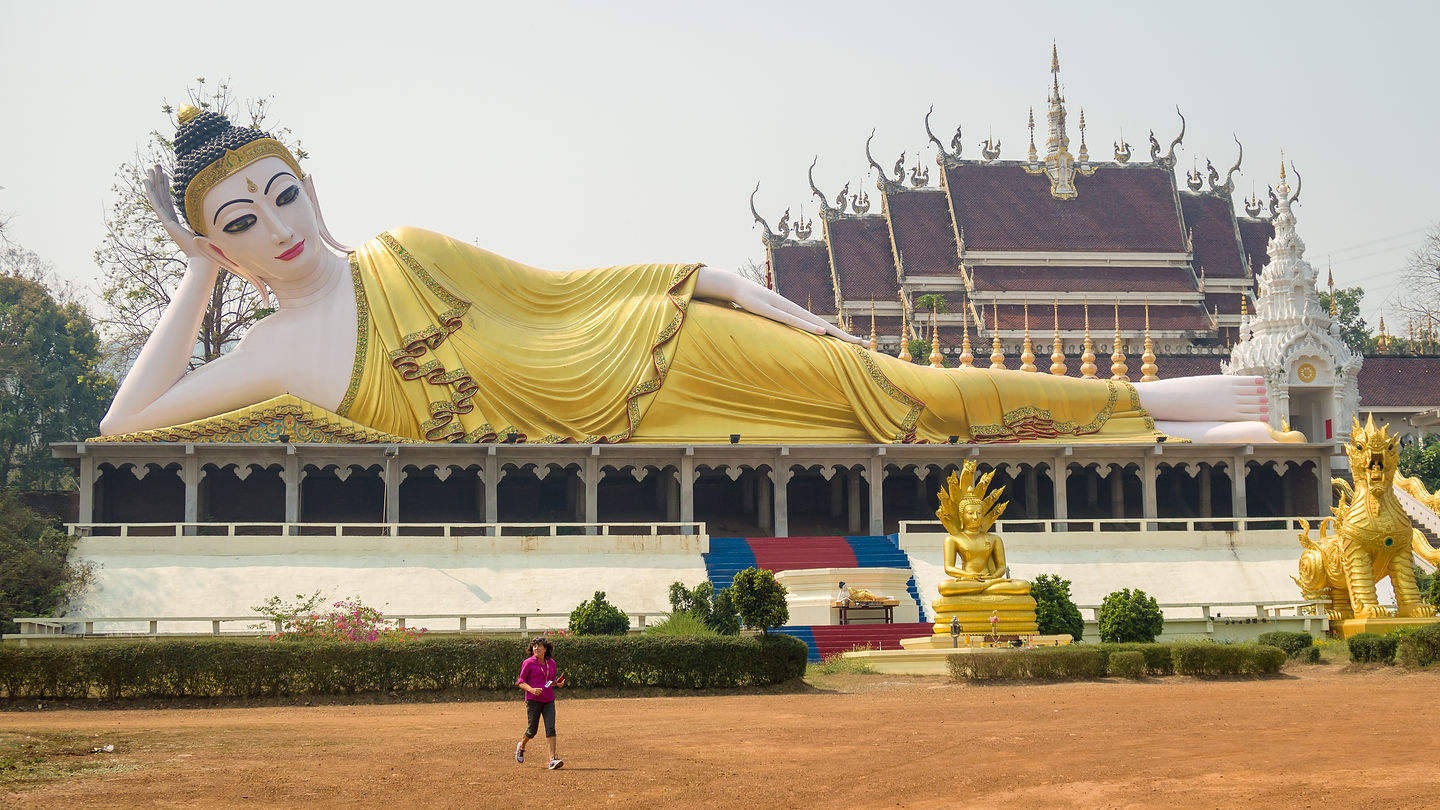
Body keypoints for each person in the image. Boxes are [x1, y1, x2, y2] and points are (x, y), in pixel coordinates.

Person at [100, 105, 1292, 446]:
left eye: (283, 192)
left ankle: (1156, 407)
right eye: (240, 222)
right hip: (626, 437)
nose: (278, 227)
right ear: (222, 246)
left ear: (311, 184)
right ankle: (1161, 419)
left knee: (896, 391)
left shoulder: (406, 253)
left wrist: (766, 301)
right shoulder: (271, 354)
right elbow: (126, 425)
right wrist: (194, 278)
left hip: (655, 346)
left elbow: (565, 294)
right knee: (897, 419)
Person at [515, 636, 565, 769]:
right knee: (532, 730)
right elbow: (520, 682)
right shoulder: (528, 663)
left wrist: (557, 683)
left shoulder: (551, 663)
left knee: (551, 728)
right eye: (534, 646)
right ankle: (521, 746)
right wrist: (531, 689)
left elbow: (549, 681)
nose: (536, 648)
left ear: (545, 648)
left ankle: (552, 760)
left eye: (539, 646)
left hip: (549, 700)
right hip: (533, 701)